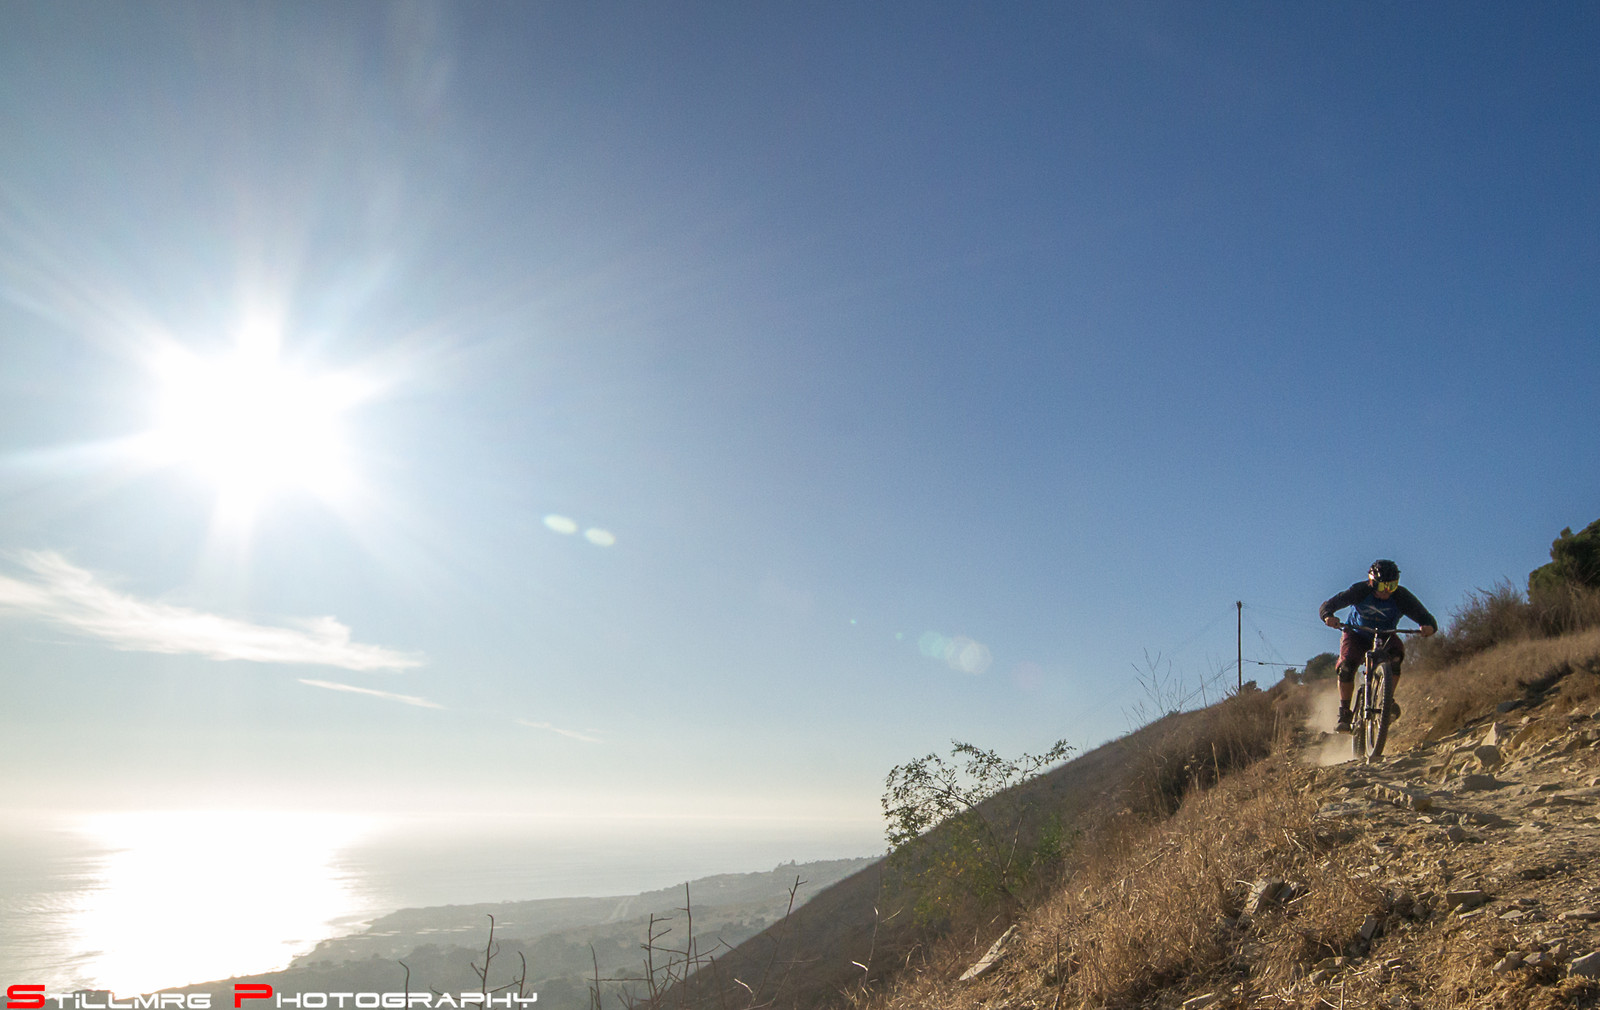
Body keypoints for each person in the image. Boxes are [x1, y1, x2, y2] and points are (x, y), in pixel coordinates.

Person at [1319, 559, 1438, 733]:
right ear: (1372, 583)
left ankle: (1387, 700)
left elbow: (1425, 617)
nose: (1387, 592)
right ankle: (1345, 712)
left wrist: (1428, 627)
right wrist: (1328, 616)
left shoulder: (1401, 596)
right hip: (1357, 634)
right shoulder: (1360, 591)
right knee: (1346, 667)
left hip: (1385, 635)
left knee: (1396, 657)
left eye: (1392, 586)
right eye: (1383, 587)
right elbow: (1328, 605)